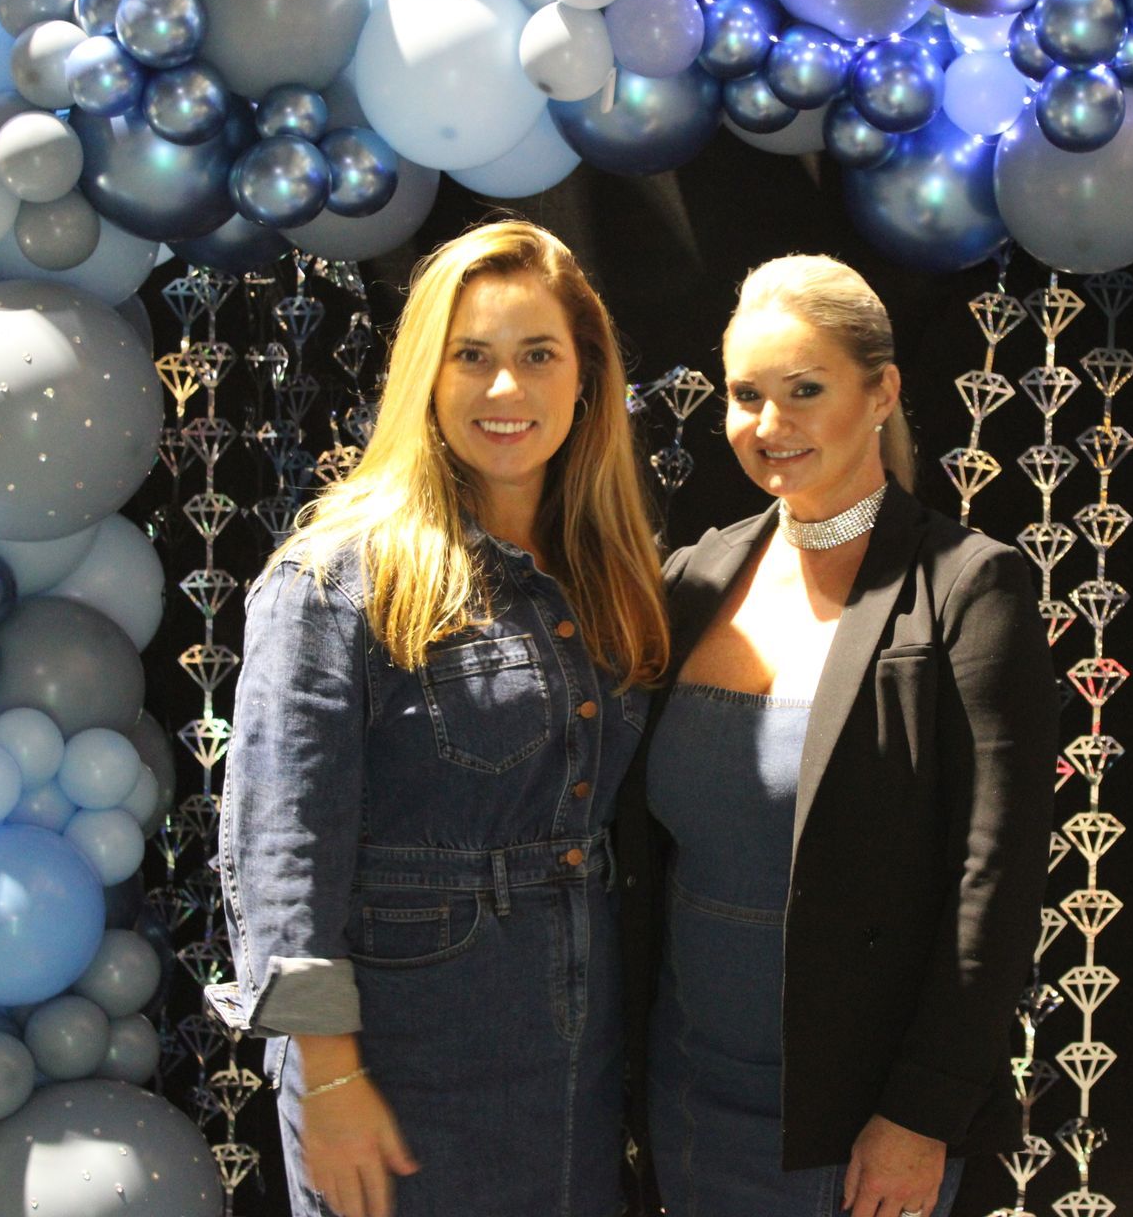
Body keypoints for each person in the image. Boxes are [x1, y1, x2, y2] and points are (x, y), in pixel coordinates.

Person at [211, 220, 669, 1217]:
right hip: (396, 1064)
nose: (508, 391)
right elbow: (282, 859)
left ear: (585, 377)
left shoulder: (605, 568)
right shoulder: (333, 578)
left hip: (575, 1057)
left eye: (538, 355)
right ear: (427, 372)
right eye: (474, 357)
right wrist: (326, 1077)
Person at [616, 255, 1058, 1217]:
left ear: (881, 391)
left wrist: (923, 1116)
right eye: (746, 395)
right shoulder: (691, 578)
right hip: (687, 1099)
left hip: (860, 1127)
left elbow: (997, 878)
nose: (769, 427)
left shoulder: (969, 586)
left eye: (804, 390)